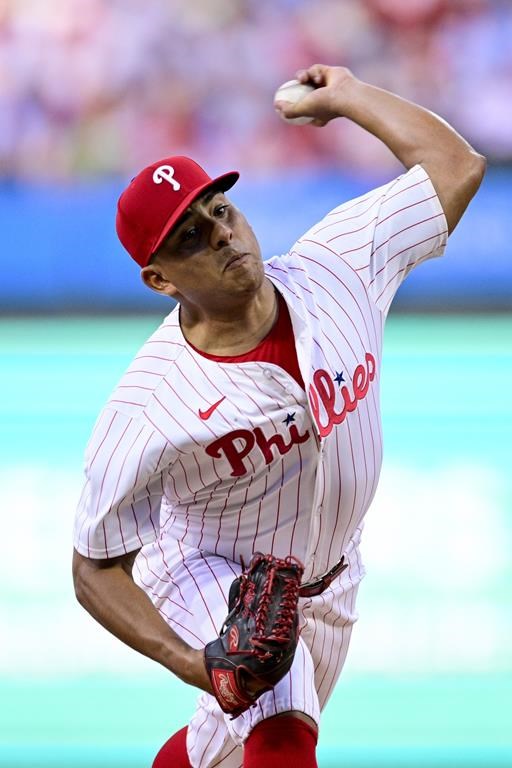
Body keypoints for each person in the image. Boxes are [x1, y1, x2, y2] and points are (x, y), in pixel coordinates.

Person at [72, 63, 485, 768]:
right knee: (283, 738)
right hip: (216, 571)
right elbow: (93, 568)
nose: (222, 235)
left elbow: (454, 165)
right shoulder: (150, 403)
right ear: (160, 279)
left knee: (221, 749)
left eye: (219, 211)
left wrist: (352, 96)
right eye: (191, 238)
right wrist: (198, 665)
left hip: (334, 573)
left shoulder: (338, 265)